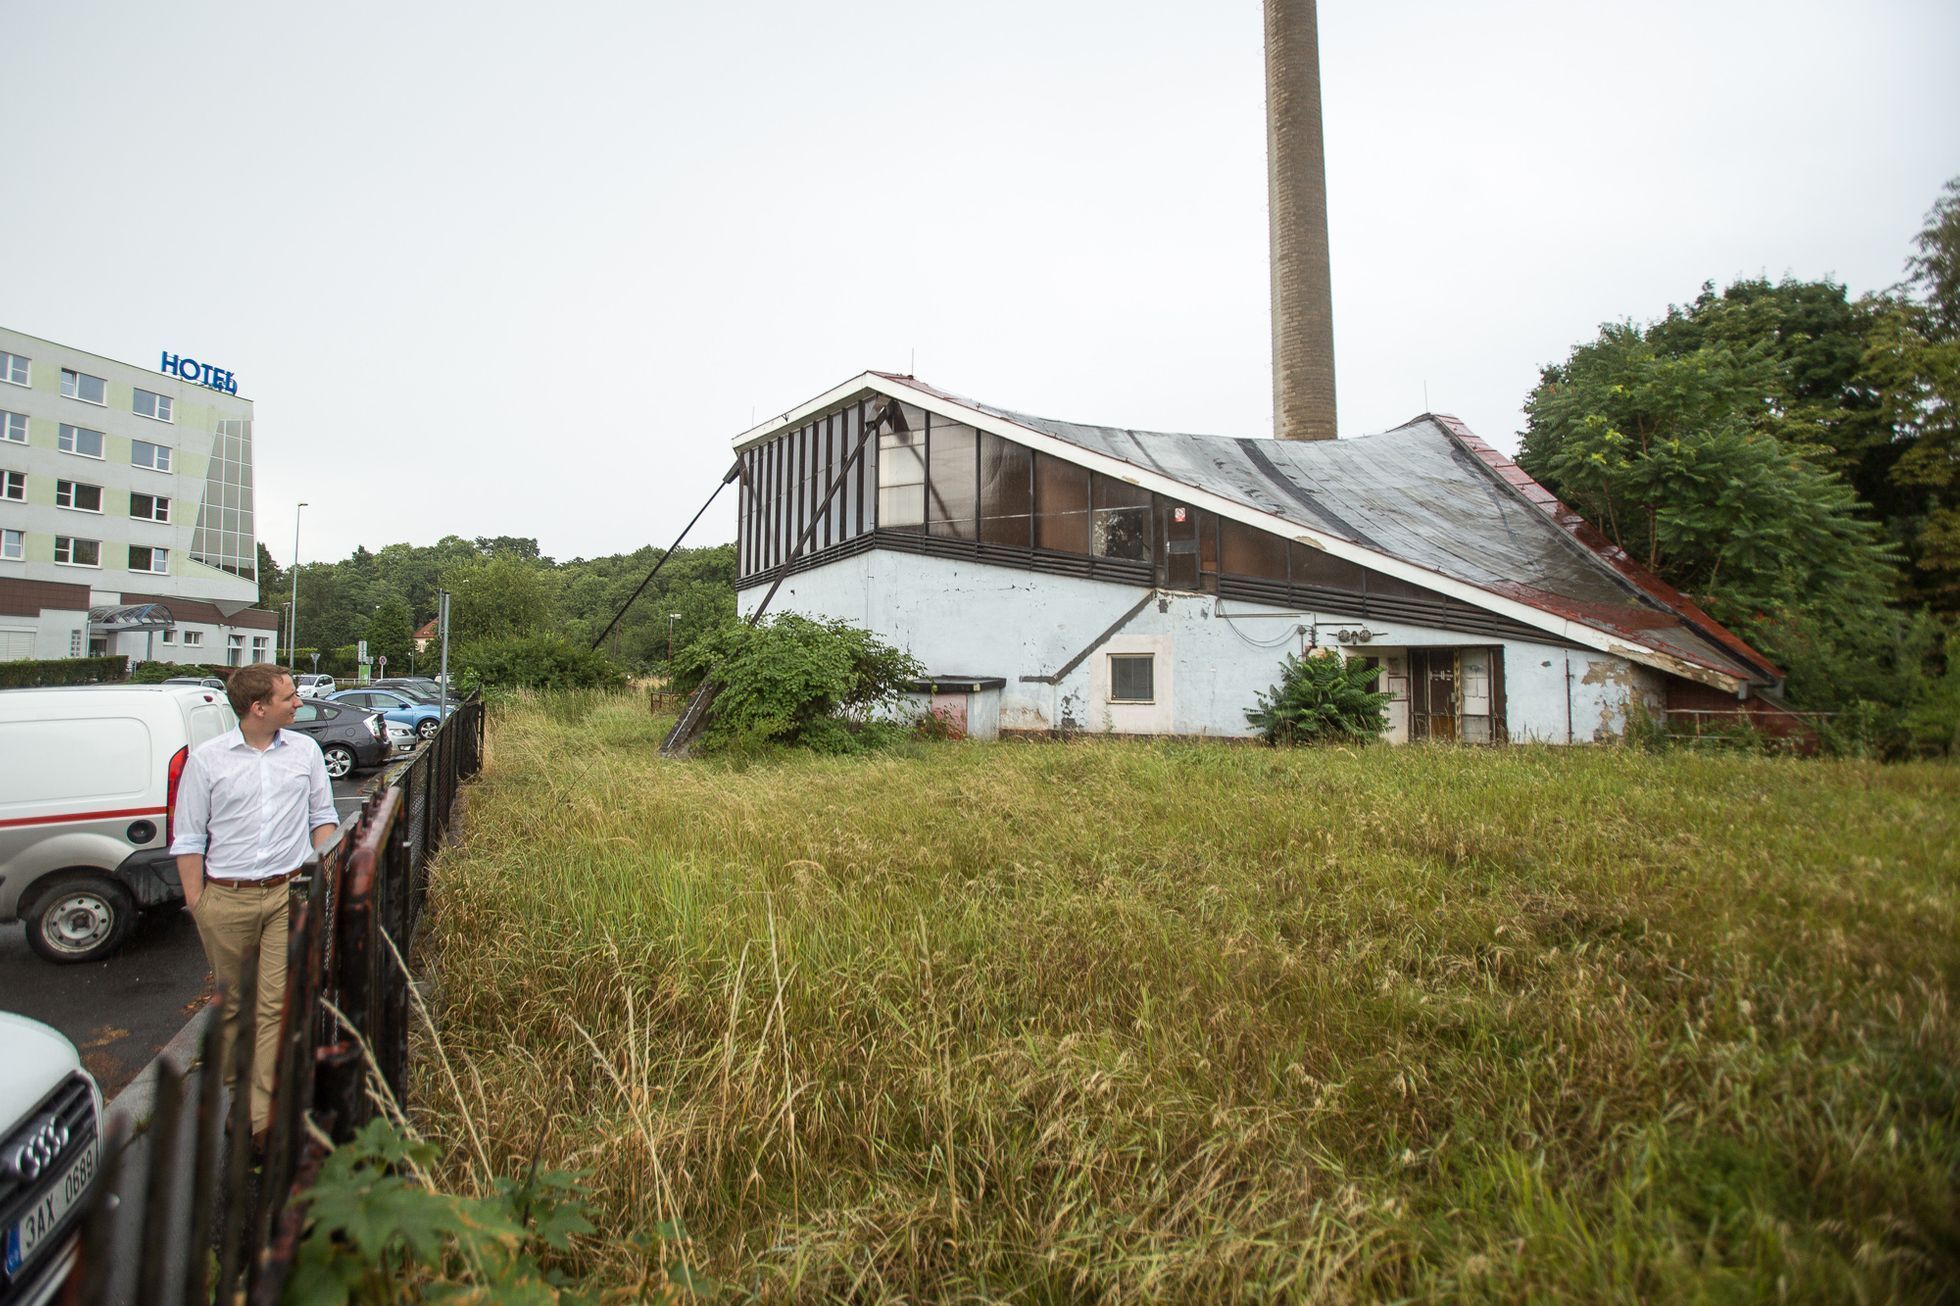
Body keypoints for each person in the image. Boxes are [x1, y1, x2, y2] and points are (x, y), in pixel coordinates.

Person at [170, 663, 339, 1144]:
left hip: (288, 894)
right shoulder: (208, 761)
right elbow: (187, 837)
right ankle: (240, 1095)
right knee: (234, 1006)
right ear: (258, 707)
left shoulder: (304, 751)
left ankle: (259, 1117)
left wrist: (320, 868)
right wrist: (198, 902)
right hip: (227, 898)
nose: (299, 702)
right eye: (289, 697)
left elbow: (322, 816)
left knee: (271, 1005)